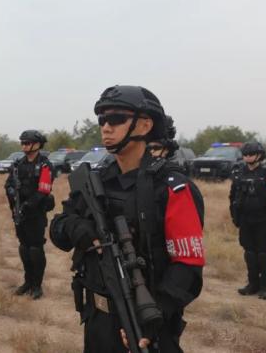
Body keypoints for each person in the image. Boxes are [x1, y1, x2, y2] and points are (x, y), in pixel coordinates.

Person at [50, 85, 205, 352]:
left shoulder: (172, 188)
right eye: (102, 120)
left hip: (147, 324)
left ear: (145, 125)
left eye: (116, 119)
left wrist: (153, 316)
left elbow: (188, 268)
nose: (106, 127)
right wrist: (80, 229)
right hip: (96, 320)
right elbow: (58, 229)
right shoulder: (95, 182)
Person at [230, 141, 266, 300]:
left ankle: (264, 287)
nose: (247, 157)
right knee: (249, 253)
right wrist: (234, 216)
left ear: (259, 155)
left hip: (264, 221)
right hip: (245, 221)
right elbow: (232, 196)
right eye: (245, 154)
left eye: (251, 154)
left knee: (263, 254)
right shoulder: (239, 174)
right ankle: (252, 284)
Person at [5, 130, 54, 300]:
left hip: (35, 213)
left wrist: (28, 205)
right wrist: (13, 195)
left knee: (35, 248)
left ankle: (37, 286)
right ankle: (27, 282)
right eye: (22, 143)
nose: (24, 146)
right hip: (19, 212)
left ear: (38, 144)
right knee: (24, 247)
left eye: (27, 143)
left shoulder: (45, 165)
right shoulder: (18, 164)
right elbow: (8, 184)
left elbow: (44, 190)